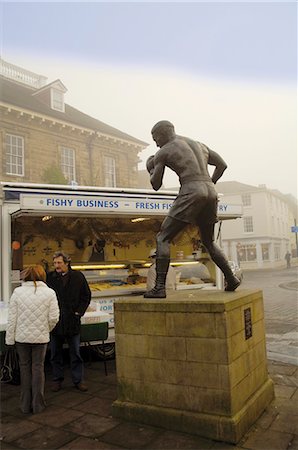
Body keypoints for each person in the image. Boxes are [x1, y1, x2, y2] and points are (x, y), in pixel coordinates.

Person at [144, 120, 240, 298]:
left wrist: (151, 168)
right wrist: (210, 183)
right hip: (211, 191)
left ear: (163, 133)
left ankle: (159, 287)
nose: (156, 143)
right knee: (209, 241)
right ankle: (231, 278)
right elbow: (222, 165)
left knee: (163, 237)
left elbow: (156, 185)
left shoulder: (163, 151)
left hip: (191, 189)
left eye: (155, 138)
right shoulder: (199, 145)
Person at [5, 265, 59, 414]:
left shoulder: (17, 292)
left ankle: (24, 405)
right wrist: (45, 329)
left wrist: (9, 339)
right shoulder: (50, 293)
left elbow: (12, 318)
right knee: (38, 369)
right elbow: (54, 317)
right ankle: (38, 405)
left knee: (24, 368)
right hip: (40, 338)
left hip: (21, 338)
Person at [47, 251, 91, 392]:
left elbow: (86, 295)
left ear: (67, 263)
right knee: (55, 354)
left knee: (76, 353)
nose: (56, 266)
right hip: (56, 322)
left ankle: (78, 380)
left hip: (72, 320)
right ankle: (57, 379)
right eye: (54, 263)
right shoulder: (50, 278)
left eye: (59, 263)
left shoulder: (78, 277)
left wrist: (79, 312)